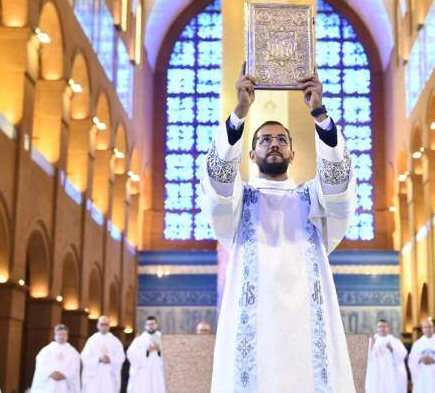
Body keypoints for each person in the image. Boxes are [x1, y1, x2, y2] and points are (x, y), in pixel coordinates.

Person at [201, 68, 357, 392]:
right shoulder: (240, 201)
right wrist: (239, 113)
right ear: (251, 153)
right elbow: (218, 186)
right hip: (253, 323)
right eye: (265, 140)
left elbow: (339, 188)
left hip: (307, 323)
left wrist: (319, 113)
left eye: (282, 140)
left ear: (293, 153)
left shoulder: (312, 200)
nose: (274, 144)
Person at [30, 324, 81, 393]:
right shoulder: (46, 350)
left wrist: (64, 374)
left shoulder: (73, 352)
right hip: (49, 383)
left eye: (64, 334)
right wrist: (50, 373)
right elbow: (41, 365)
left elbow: (75, 367)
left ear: (67, 336)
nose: (61, 337)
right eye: (59, 334)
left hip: (65, 384)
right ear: (55, 336)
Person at [81, 316, 126, 393]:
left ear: (109, 326)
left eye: (106, 324)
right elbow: (84, 356)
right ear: (97, 325)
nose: (104, 327)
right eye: (102, 324)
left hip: (109, 377)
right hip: (94, 377)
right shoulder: (92, 340)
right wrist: (98, 359)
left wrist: (110, 359)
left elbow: (121, 357)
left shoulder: (115, 341)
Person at [365, 319, 408, 393]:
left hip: (391, 374)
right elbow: (367, 358)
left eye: (384, 326)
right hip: (377, 374)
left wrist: (392, 349)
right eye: (380, 327)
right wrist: (371, 346)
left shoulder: (395, 341)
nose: (382, 328)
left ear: (388, 328)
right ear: (377, 329)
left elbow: (403, 355)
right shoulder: (372, 341)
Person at [126, 316, 166, 393]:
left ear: (156, 325)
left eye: (153, 324)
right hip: (144, 372)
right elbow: (130, 354)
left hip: (158, 371)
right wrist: (146, 351)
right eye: (149, 324)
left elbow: (170, 354)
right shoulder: (139, 340)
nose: (151, 326)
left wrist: (159, 350)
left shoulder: (163, 339)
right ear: (145, 326)